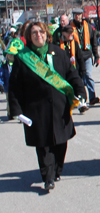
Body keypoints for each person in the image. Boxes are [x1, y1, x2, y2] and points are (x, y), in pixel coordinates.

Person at [8, 22, 87, 191]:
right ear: (29, 36)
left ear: (46, 34)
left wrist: (81, 93)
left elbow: (72, 74)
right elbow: (15, 87)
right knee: (43, 145)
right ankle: (48, 177)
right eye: (34, 33)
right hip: (36, 109)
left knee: (61, 142)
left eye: (41, 32)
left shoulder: (57, 52)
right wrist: (17, 111)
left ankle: (57, 170)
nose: (38, 35)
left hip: (60, 107)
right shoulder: (23, 58)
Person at [71, 8, 100, 104]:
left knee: (88, 75)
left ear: (82, 15)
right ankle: (81, 98)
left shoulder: (88, 26)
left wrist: (96, 55)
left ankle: (92, 97)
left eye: (79, 14)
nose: (77, 16)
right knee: (79, 78)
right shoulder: (70, 28)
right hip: (75, 56)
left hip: (87, 55)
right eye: (75, 14)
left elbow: (93, 42)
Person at [0, 38, 23, 120]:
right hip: (7, 86)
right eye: (9, 54)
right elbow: (1, 74)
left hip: (18, 85)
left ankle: (19, 113)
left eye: (13, 55)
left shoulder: (19, 64)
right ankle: (10, 112)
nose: (11, 56)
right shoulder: (4, 65)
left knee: (19, 99)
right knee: (10, 100)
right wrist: (1, 83)